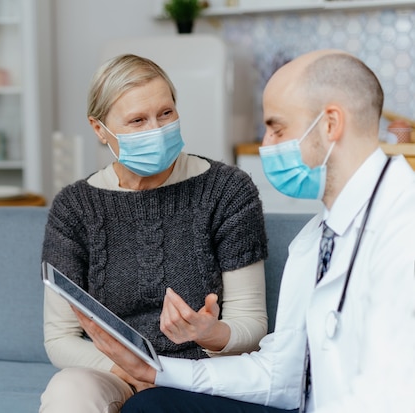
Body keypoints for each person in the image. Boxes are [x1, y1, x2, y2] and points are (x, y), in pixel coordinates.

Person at [74, 49, 415, 413]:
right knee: (154, 405)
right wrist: (156, 370)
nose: (266, 145)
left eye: (277, 127)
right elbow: (281, 376)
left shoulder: (402, 227)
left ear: (330, 124)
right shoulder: (314, 240)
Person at [39, 54, 271, 413]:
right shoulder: (74, 208)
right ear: (100, 129)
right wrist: (132, 369)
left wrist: (208, 333)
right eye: (137, 120)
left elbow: (251, 325)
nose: (157, 129)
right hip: (118, 372)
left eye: (166, 113)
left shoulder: (228, 190)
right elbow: (60, 339)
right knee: (68, 391)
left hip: (202, 371)